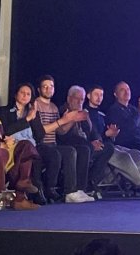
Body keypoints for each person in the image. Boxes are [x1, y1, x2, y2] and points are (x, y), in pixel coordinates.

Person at [85, 85, 140, 198]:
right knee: (125, 156)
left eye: (101, 95)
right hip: (103, 148)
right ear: (88, 96)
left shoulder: (102, 115)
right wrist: (106, 135)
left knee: (136, 153)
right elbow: (92, 134)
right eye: (96, 94)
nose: (99, 97)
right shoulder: (88, 113)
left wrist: (112, 134)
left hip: (111, 143)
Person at [31, 75, 93, 203]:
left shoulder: (54, 107)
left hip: (53, 143)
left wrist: (71, 119)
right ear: (39, 89)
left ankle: (78, 189)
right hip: (40, 144)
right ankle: (67, 191)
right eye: (45, 86)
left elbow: (60, 131)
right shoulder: (35, 105)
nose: (48, 89)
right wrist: (65, 120)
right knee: (66, 151)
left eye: (51, 86)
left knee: (80, 150)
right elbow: (40, 131)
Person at [60, 85, 115, 194]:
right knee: (85, 148)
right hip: (71, 145)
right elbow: (63, 135)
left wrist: (97, 140)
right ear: (69, 98)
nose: (79, 102)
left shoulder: (84, 113)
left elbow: (92, 131)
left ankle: (91, 181)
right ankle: (80, 188)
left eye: (82, 99)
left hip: (86, 144)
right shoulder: (63, 111)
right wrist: (73, 119)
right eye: (77, 99)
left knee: (108, 147)